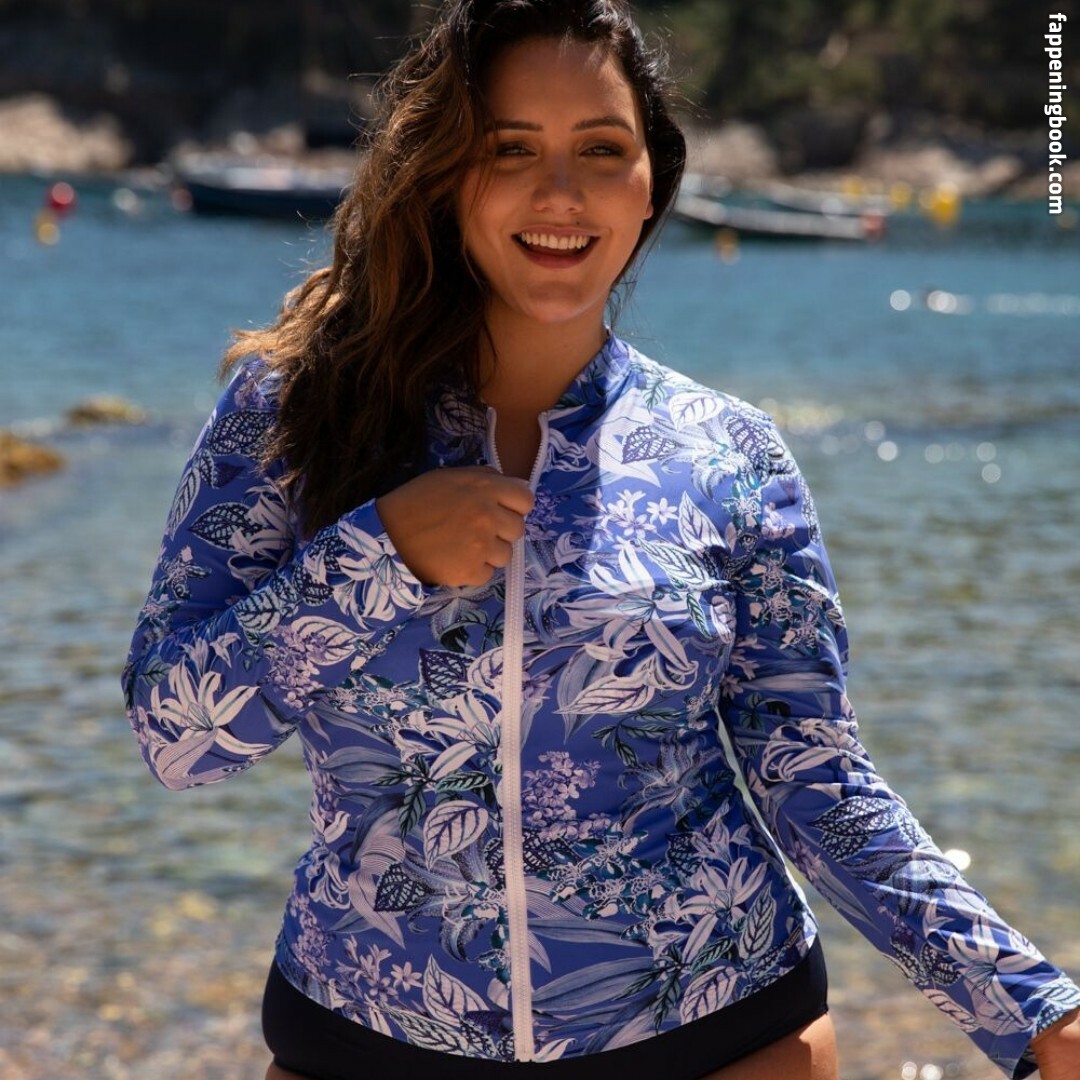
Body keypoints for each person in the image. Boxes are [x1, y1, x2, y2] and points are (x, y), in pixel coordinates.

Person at [122, 1, 1080, 1077]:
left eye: (601, 150)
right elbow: (174, 739)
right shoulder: (290, 413)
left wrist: (1033, 1010)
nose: (561, 194)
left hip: (716, 1032)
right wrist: (377, 559)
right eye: (510, 149)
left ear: (650, 185)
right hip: (369, 1035)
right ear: (445, 175)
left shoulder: (730, 455)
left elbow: (813, 778)